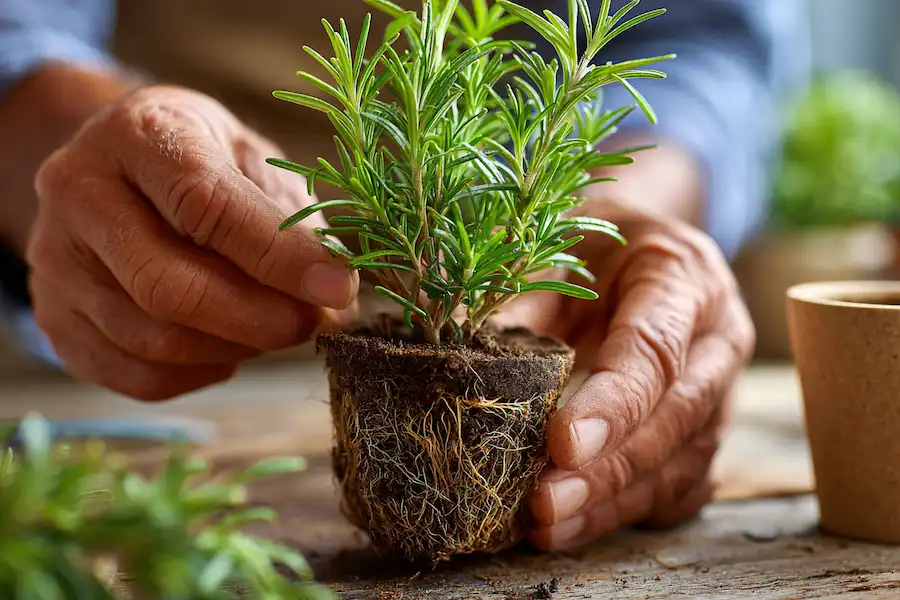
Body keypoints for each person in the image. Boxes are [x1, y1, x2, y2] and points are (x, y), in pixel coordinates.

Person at [0, 0, 809, 551]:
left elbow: (710, 43)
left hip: (529, 289)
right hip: (105, 364)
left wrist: (614, 213)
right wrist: (69, 144)